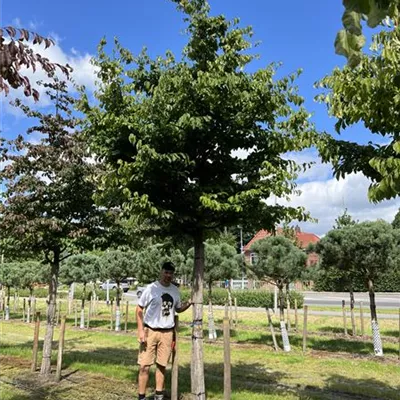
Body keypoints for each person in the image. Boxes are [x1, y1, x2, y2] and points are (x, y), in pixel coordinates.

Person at [136, 261, 192, 400]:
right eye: (166, 272)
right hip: (150, 331)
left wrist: (189, 303)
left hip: (167, 333)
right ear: (161, 272)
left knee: (162, 366)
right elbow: (139, 309)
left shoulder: (174, 290)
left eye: (171, 273)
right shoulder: (151, 288)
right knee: (144, 366)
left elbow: (178, 308)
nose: (168, 275)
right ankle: (141, 397)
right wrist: (141, 331)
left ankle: (159, 395)